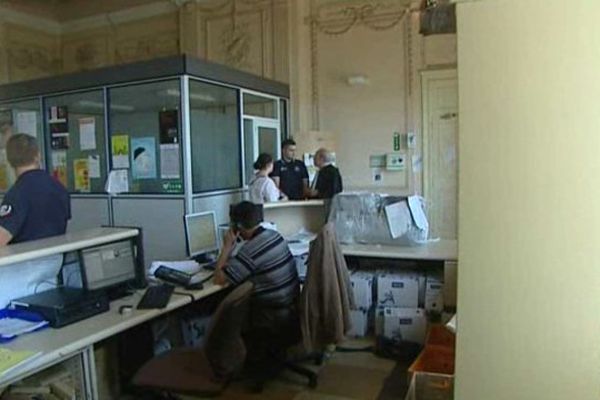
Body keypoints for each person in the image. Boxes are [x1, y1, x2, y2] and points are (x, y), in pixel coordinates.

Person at [213, 201, 300, 380]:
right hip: (290, 308)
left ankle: (223, 362)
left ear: (237, 227)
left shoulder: (250, 250)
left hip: (271, 316)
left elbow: (219, 279)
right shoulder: (274, 236)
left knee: (222, 307)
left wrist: (227, 247)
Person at [0, 134, 70, 245]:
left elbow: (2, 237)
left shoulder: (17, 194)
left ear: (9, 161)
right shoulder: (58, 187)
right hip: (56, 257)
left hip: (25, 258)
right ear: (38, 156)